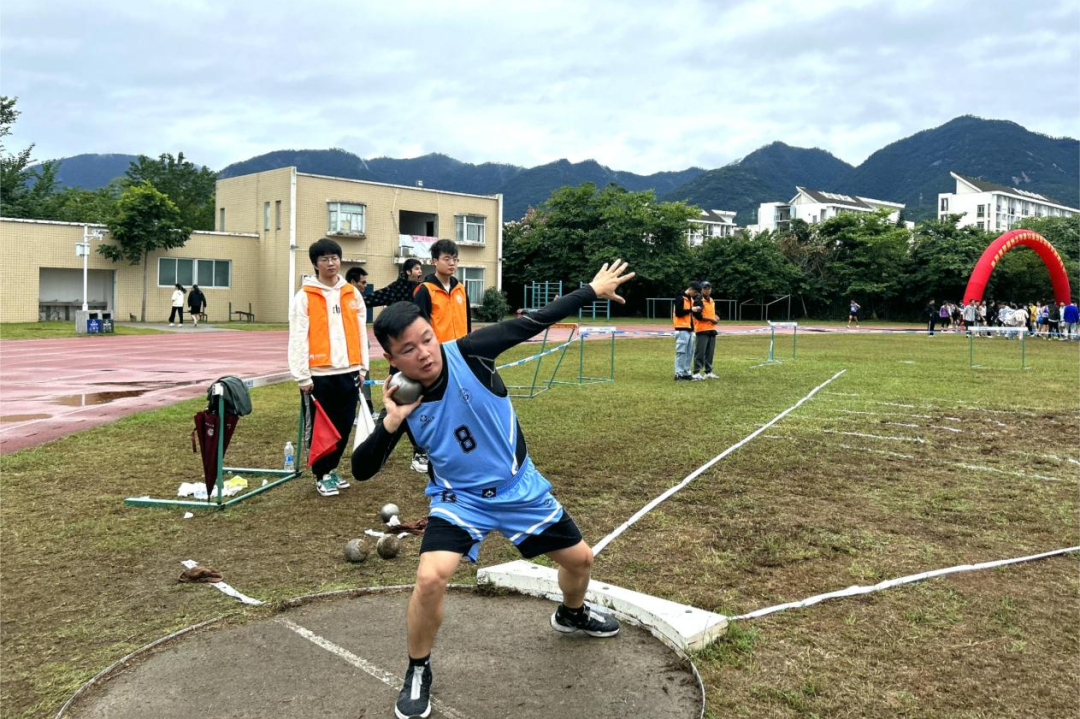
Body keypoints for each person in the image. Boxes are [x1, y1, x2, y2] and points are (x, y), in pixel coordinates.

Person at [352, 261, 634, 719]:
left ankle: (572, 613)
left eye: (427, 339)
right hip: (459, 501)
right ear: (392, 360)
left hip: (519, 489)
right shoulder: (403, 400)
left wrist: (591, 290)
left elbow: (533, 321)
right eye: (408, 349)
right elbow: (362, 469)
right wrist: (392, 421)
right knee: (430, 578)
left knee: (581, 560)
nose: (424, 353)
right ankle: (418, 669)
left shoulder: (471, 352)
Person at [288, 239, 368, 497]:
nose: (331, 263)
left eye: (334, 258)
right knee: (322, 428)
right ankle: (321, 474)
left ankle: (331, 469)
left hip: (348, 370)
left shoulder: (351, 293)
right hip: (319, 374)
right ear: (315, 264)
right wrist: (302, 375)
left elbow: (361, 331)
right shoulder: (305, 296)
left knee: (343, 425)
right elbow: (298, 337)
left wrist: (362, 367)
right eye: (325, 259)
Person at [410, 240, 471, 474]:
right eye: (447, 258)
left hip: (459, 355)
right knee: (430, 403)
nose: (452, 263)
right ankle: (420, 452)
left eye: (455, 259)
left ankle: (452, 446)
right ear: (435, 261)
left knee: (457, 402)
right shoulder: (425, 290)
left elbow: (467, 323)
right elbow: (420, 326)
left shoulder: (460, 288)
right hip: (436, 357)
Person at [345, 267, 374, 415]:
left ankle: (367, 408)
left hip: (359, 348)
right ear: (352, 282)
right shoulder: (342, 298)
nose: (365, 286)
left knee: (363, 375)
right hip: (347, 351)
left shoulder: (359, 299)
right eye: (362, 282)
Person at [673, 281, 700, 381]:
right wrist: (691, 309)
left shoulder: (690, 299)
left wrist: (696, 310)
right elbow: (679, 313)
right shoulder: (679, 297)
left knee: (690, 352)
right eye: (695, 292)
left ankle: (686, 373)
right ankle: (678, 374)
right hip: (681, 329)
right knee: (681, 352)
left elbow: (690, 313)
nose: (695, 294)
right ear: (691, 289)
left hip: (690, 329)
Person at [692, 281, 719, 378]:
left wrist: (716, 316)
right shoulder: (698, 300)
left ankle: (708, 372)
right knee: (700, 352)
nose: (707, 290)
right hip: (702, 329)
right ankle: (696, 372)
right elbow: (698, 316)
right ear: (701, 290)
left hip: (711, 329)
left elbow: (711, 312)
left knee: (710, 353)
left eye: (708, 288)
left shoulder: (711, 300)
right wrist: (711, 319)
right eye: (705, 288)